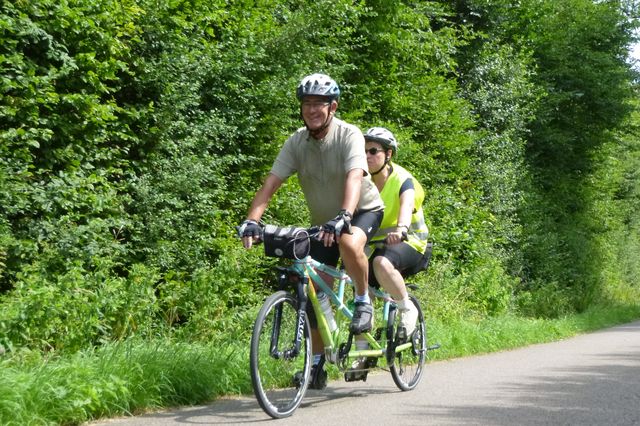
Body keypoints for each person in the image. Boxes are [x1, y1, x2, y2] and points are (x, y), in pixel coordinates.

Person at [237, 73, 384, 389]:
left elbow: (354, 177)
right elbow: (271, 184)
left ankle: (362, 302)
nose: (312, 110)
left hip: (362, 210)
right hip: (325, 222)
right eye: (307, 104)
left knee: (348, 240)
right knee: (312, 288)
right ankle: (317, 364)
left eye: (319, 104)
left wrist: (345, 215)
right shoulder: (296, 142)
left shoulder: (349, 135)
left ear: (333, 107)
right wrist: (252, 220)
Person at [363, 127, 429, 339]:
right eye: (363, 151)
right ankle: (363, 350)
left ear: (388, 154)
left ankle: (407, 308)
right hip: (374, 245)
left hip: (410, 242)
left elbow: (406, 204)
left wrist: (401, 229)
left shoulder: (403, 179)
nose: (367, 156)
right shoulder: (361, 180)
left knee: (381, 263)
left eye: (373, 151)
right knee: (358, 288)